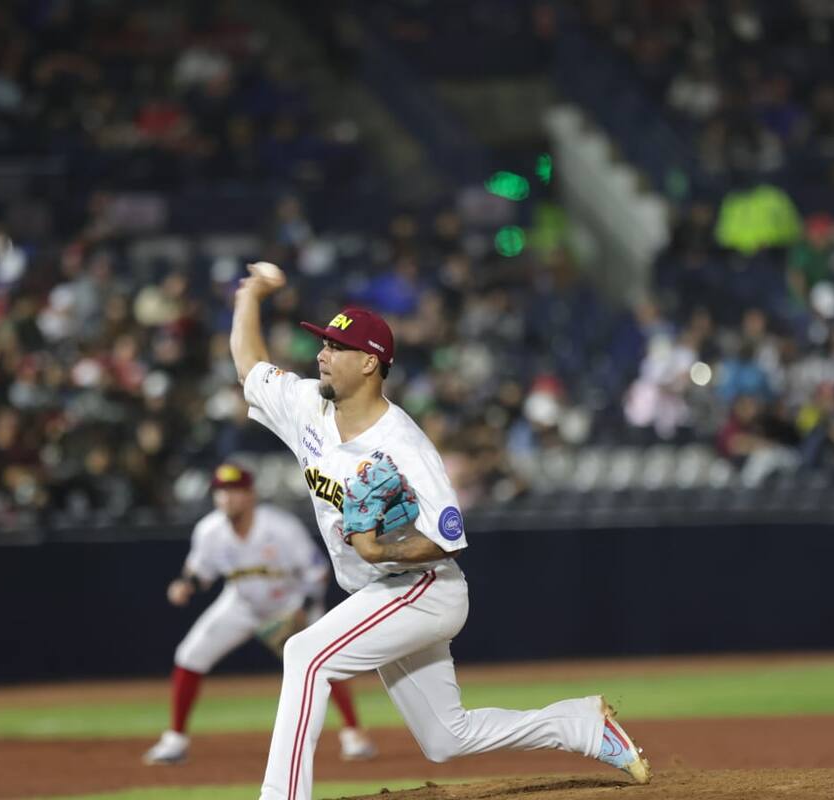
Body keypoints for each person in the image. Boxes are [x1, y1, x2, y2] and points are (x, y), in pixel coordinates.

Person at [230, 263, 652, 800]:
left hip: (423, 589)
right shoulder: (309, 406)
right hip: (377, 592)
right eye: (323, 344)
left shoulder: (406, 447)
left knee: (305, 656)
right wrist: (250, 296)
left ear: (368, 362)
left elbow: (447, 538)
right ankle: (579, 724)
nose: (322, 354)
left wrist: (382, 546)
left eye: (336, 346)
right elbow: (249, 368)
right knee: (444, 738)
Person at [142, 463, 377, 765]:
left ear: (251, 495)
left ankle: (354, 734)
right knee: (189, 656)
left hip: (290, 605)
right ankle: (175, 740)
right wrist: (186, 584)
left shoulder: (280, 527)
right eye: (221, 492)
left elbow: (316, 572)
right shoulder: (209, 530)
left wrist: (303, 612)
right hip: (242, 604)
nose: (227, 498)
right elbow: (200, 572)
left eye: (235, 491)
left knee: (325, 666)